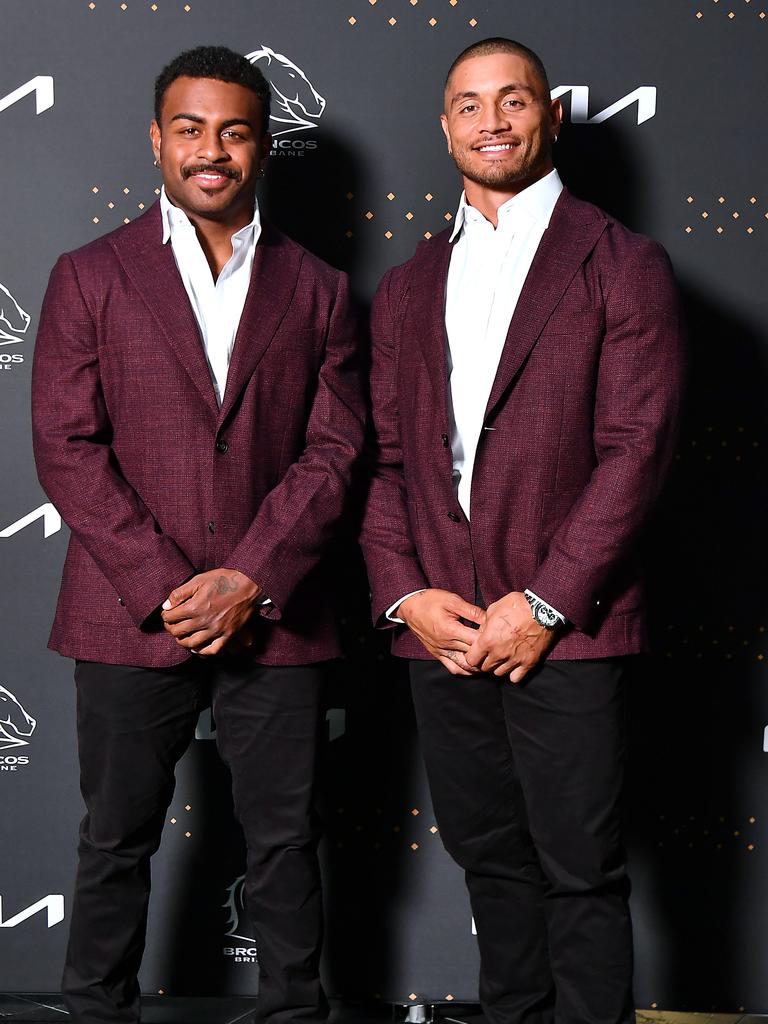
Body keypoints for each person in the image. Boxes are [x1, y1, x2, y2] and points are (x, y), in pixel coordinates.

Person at [32, 45, 363, 1024]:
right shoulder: (89, 275)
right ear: (156, 138)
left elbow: (336, 450)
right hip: (129, 611)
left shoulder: (320, 288)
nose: (210, 150)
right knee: (116, 839)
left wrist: (248, 579)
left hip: (279, 613)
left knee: (287, 839)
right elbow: (67, 447)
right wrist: (172, 582)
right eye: (190, 128)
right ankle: (94, 1009)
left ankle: (294, 1013)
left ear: (263, 144)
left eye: (233, 130)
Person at [361, 37, 684, 1024]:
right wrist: (408, 597)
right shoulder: (409, 285)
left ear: (549, 115)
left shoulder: (622, 263)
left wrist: (543, 603)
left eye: (513, 101)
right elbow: (383, 462)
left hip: (570, 626)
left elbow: (637, 449)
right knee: (490, 861)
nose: (491, 121)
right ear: (447, 125)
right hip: (442, 631)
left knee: (578, 870)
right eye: (469, 104)